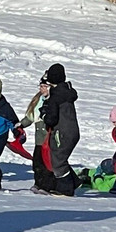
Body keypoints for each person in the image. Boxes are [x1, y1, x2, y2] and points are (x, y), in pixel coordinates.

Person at [39, 64, 80, 197]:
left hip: (61, 132)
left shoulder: (55, 96)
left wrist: (44, 114)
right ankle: (74, 181)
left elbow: (51, 119)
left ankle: (65, 189)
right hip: (72, 131)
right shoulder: (67, 92)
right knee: (61, 158)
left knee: (58, 160)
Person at [19, 84, 53, 194]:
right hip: (39, 140)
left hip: (49, 140)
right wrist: (21, 125)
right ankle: (38, 183)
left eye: (45, 86)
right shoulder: (38, 100)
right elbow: (31, 117)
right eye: (41, 86)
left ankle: (47, 185)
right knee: (37, 162)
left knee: (46, 163)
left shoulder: (53, 99)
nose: (42, 89)